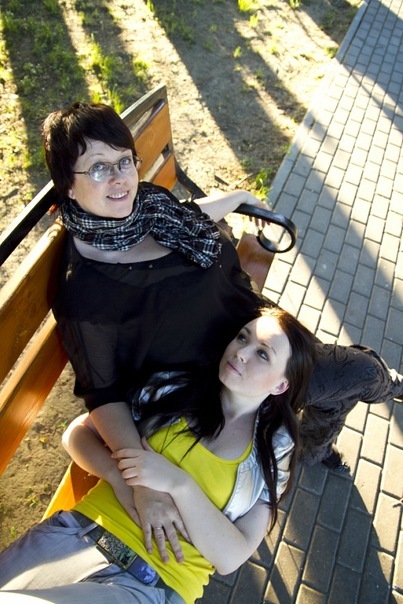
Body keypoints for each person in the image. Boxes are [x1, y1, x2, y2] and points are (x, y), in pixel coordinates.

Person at [41, 100, 403, 556]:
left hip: (253, 329)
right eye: (97, 167)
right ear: (67, 185)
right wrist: (139, 482)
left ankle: (315, 442)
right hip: (220, 382)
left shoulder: (144, 207)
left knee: (342, 377)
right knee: (358, 373)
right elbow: (103, 394)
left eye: (124, 160)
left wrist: (237, 197)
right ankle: (368, 399)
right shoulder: (87, 290)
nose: (119, 178)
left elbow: (189, 213)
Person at [0, 307, 316, 604]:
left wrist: (178, 483)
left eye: (263, 354)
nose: (241, 352)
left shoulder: (272, 453)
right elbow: (76, 434)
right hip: (76, 533)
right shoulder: (172, 390)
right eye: (243, 338)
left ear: (281, 385)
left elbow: (230, 557)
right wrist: (128, 484)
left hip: (148, 585)